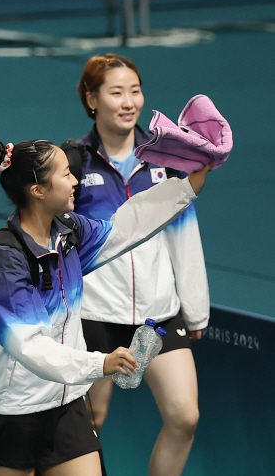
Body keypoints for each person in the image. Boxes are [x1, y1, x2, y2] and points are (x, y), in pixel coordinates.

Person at [0, 139, 210, 476]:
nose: (76, 179)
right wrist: (100, 362)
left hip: (63, 407)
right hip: (9, 409)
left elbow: (126, 227)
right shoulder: (6, 262)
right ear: (38, 190)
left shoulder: (69, 234)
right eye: (65, 174)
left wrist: (186, 187)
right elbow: (31, 348)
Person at [67, 53, 209, 476]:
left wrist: (195, 307)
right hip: (94, 315)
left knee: (185, 417)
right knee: (90, 423)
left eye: (135, 91)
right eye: (116, 92)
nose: (129, 102)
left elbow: (184, 237)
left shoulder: (166, 160)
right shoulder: (74, 162)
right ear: (92, 100)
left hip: (158, 315)